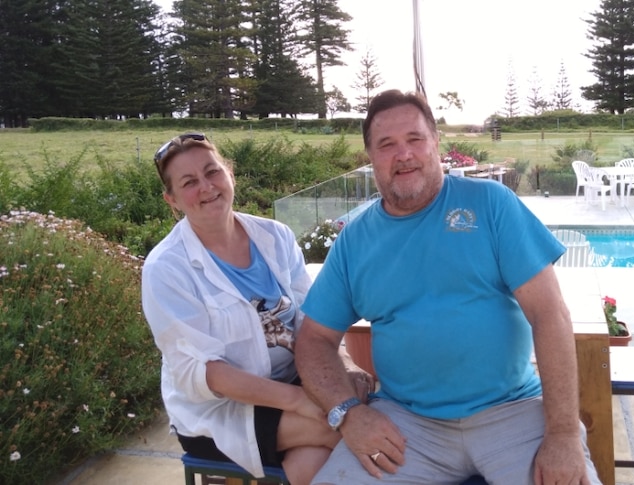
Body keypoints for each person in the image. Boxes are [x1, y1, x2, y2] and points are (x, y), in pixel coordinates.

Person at [295, 90, 601, 485]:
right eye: (387, 145)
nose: (403, 154)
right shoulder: (355, 241)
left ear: (436, 143)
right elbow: (314, 339)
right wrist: (348, 412)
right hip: (407, 423)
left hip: (512, 411)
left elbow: (550, 314)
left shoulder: (491, 204)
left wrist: (561, 433)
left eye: (415, 139)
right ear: (370, 157)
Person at [140, 133, 374, 485]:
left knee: (321, 455)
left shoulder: (275, 237)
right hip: (221, 410)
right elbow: (204, 373)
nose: (206, 187)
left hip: (295, 381)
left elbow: (310, 321)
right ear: (171, 200)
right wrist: (297, 401)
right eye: (189, 182)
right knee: (348, 427)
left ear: (229, 173)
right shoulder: (167, 269)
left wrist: (344, 364)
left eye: (212, 172)